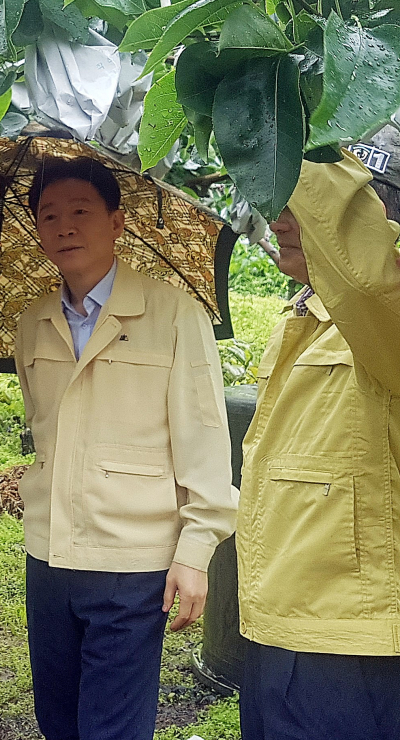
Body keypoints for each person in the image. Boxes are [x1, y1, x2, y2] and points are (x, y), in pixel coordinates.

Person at [14, 156, 237, 740]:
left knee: (112, 727)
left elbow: (205, 438)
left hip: (132, 563)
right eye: (49, 214)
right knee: (57, 720)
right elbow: (45, 436)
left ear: (116, 222)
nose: (64, 225)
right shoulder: (33, 322)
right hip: (49, 557)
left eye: (81, 212)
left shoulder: (172, 315)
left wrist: (195, 550)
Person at [236, 145, 400, 740]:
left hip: (349, 641)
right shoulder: (307, 312)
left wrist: (286, 103)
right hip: (281, 623)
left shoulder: (383, 316)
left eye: (299, 199)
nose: (277, 214)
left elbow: (368, 280)